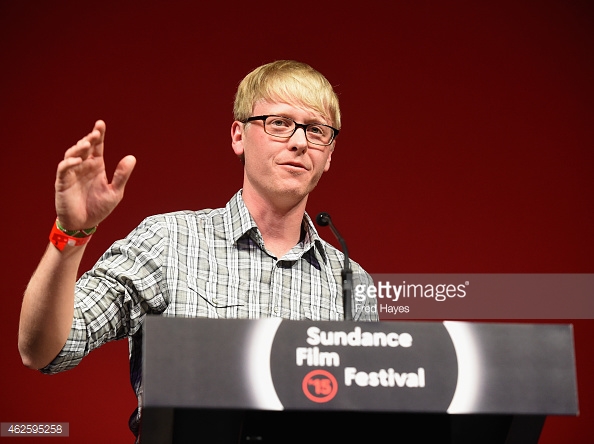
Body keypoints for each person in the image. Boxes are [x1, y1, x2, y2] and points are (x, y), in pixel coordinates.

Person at [18, 60, 378, 440]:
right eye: (279, 123)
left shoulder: (353, 285)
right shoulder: (168, 240)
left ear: (329, 154)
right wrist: (70, 235)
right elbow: (45, 350)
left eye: (317, 131)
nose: (300, 141)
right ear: (239, 136)